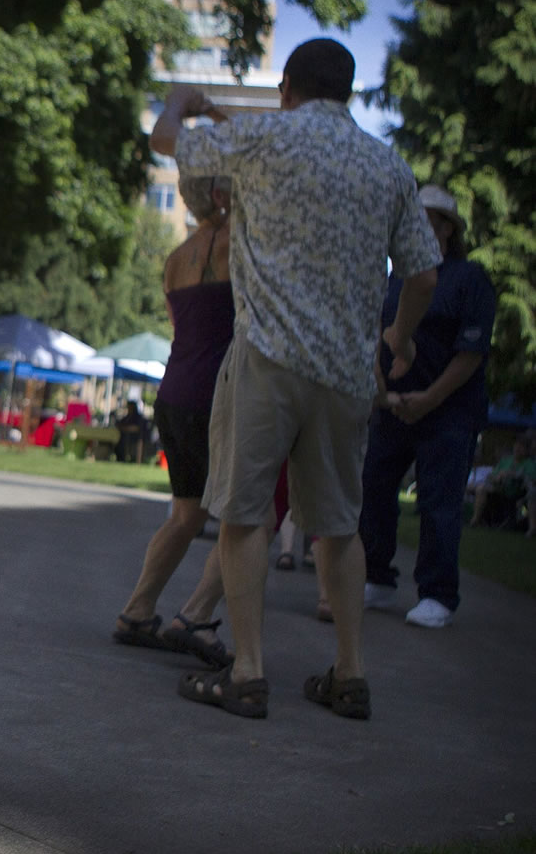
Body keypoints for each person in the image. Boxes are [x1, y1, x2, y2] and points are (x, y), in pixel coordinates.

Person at [150, 37, 442, 720]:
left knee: (245, 514)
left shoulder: (264, 141)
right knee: (338, 526)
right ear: (346, 92)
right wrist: (396, 337)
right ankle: (350, 672)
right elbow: (422, 276)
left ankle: (247, 673)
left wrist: (181, 101)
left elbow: (169, 140)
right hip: (346, 371)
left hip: (267, 357)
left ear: (286, 88)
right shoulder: (388, 166)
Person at [360, 184, 497, 629]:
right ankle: (375, 576)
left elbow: (471, 353)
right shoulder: (394, 282)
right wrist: (386, 394)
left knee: (439, 502)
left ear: (445, 229)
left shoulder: (469, 279)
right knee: (375, 489)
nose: (422, 227)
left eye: (432, 221)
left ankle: (438, 592)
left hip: (449, 413)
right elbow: (378, 337)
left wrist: (430, 399)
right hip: (395, 407)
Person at [112, 176, 234, 670]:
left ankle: (137, 610)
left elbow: (181, 324)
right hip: (215, 397)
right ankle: (195, 616)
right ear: (223, 195)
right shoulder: (233, 246)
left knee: (186, 514)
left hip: (174, 391)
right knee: (251, 519)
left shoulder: (174, 259)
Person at [469, 432, 536, 531]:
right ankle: (475, 520)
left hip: (517, 494)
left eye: (521, 446)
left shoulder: (529, 464)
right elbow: (491, 476)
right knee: (481, 488)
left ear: (526, 450)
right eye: (516, 445)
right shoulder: (506, 460)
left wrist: (512, 474)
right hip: (500, 490)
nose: (517, 448)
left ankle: (531, 528)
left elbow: (531, 480)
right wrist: (498, 477)